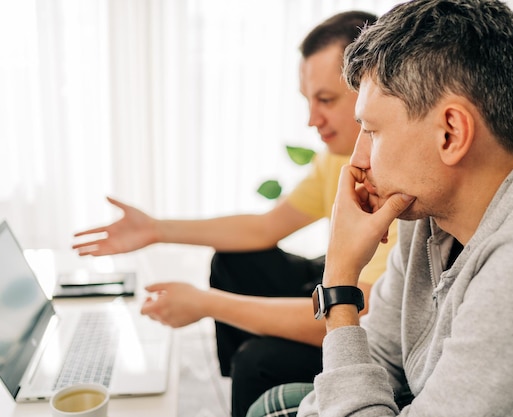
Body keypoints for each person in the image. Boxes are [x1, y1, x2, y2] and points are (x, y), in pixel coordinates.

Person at [248, 0, 513, 416]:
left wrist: (339, 284)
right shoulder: (431, 203)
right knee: (274, 405)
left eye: (372, 131)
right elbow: (380, 352)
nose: (358, 160)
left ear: (450, 133)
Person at [71, 11, 395, 417]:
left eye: (325, 100)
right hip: (341, 285)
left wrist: (208, 304)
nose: (312, 120)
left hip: (368, 326)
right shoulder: (338, 158)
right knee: (235, 261)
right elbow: (264, 227)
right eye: (308, 100)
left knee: (257, 360)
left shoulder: (397, 177)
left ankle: (249, 378)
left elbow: (359, 311)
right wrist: (154, 229)